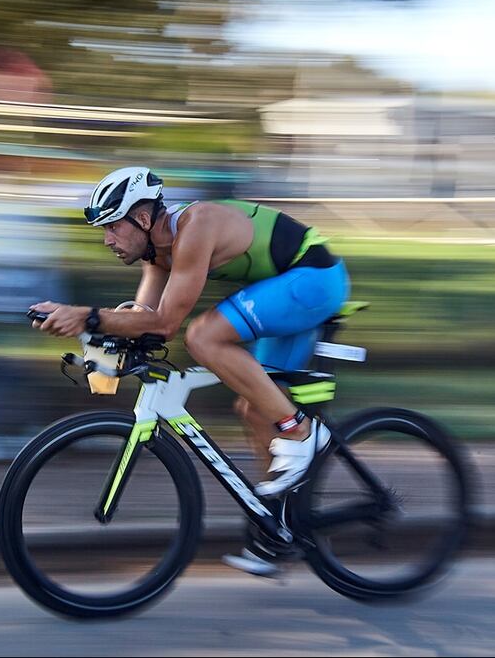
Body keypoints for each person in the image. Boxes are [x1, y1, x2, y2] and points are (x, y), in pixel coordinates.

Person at [30, 166, 350, 576]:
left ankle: (303, 433)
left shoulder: (195, 228)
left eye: (113, 226)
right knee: (256, 408)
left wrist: (86, 316)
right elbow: (143, 318)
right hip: (288, 287)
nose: (107, 239)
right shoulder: (156, 255)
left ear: (142, 218)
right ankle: (282, 529)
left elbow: (165, 324)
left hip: (313, 278)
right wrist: (87, 327)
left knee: (203, 337)